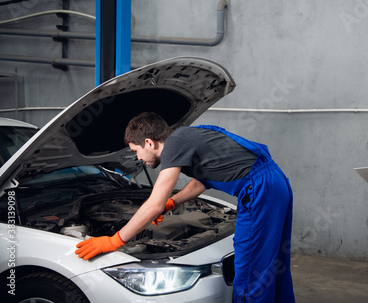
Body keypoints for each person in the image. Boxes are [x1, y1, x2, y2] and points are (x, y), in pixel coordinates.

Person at [75, 111, 295, 303]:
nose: (138, 159)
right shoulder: (186, 137)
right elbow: (202, 180)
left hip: (261, 189)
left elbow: (153, 204)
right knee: (270, 263)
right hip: (272, 183)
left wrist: (115, 240)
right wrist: (172, 202)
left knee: (250, 269)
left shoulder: (173, 145)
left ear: (149, 143)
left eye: (136, 151)